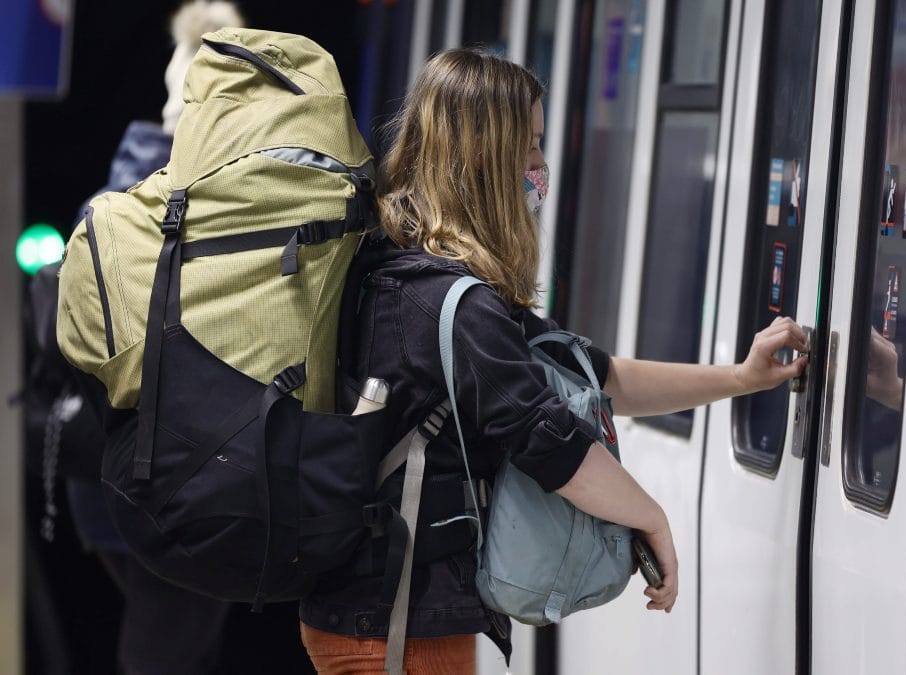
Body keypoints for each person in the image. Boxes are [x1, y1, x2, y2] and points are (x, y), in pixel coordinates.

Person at [298, 48, 810, 674]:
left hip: (371, 616)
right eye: (530, 146)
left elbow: (594, 377)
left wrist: (740, 378)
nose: (541, 165)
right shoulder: (453, 304)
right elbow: (547, 438)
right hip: (399, 631)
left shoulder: (403, 269)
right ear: (484, 156)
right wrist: (649, 517)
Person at [55, 3, 245, 673]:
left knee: (179, 648)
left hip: (107, 478)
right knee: (163, 655)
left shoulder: (107, 202)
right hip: (198, 487)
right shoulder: (237, 203)